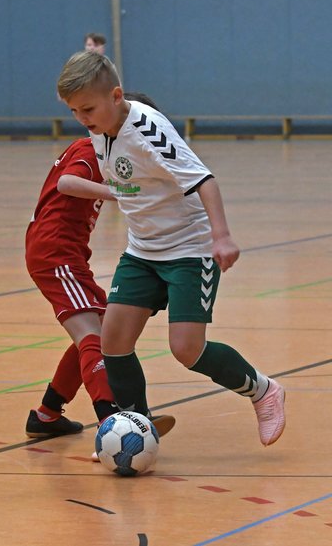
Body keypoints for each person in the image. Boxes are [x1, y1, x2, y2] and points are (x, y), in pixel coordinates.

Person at [56, 51, 286, 448]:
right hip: (142, 250)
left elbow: (204, 180)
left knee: (186, 349)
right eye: (74, 111)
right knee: (113, 341)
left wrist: (221, 236)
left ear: (116, 95)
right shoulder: (100, 128)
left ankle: (264, 391)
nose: (82, 118)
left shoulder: (148, 130)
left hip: (189, 249)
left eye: (87, 109)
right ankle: (135, 429)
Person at [25, 92, 175, 442]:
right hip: (55, 251)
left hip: (67, 252)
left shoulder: (109, 152)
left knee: (100, 328)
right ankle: (113, 421)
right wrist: (118, 192)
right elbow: (67, 183)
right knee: (94, 337)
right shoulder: (90, 149)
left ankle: (47, 413)